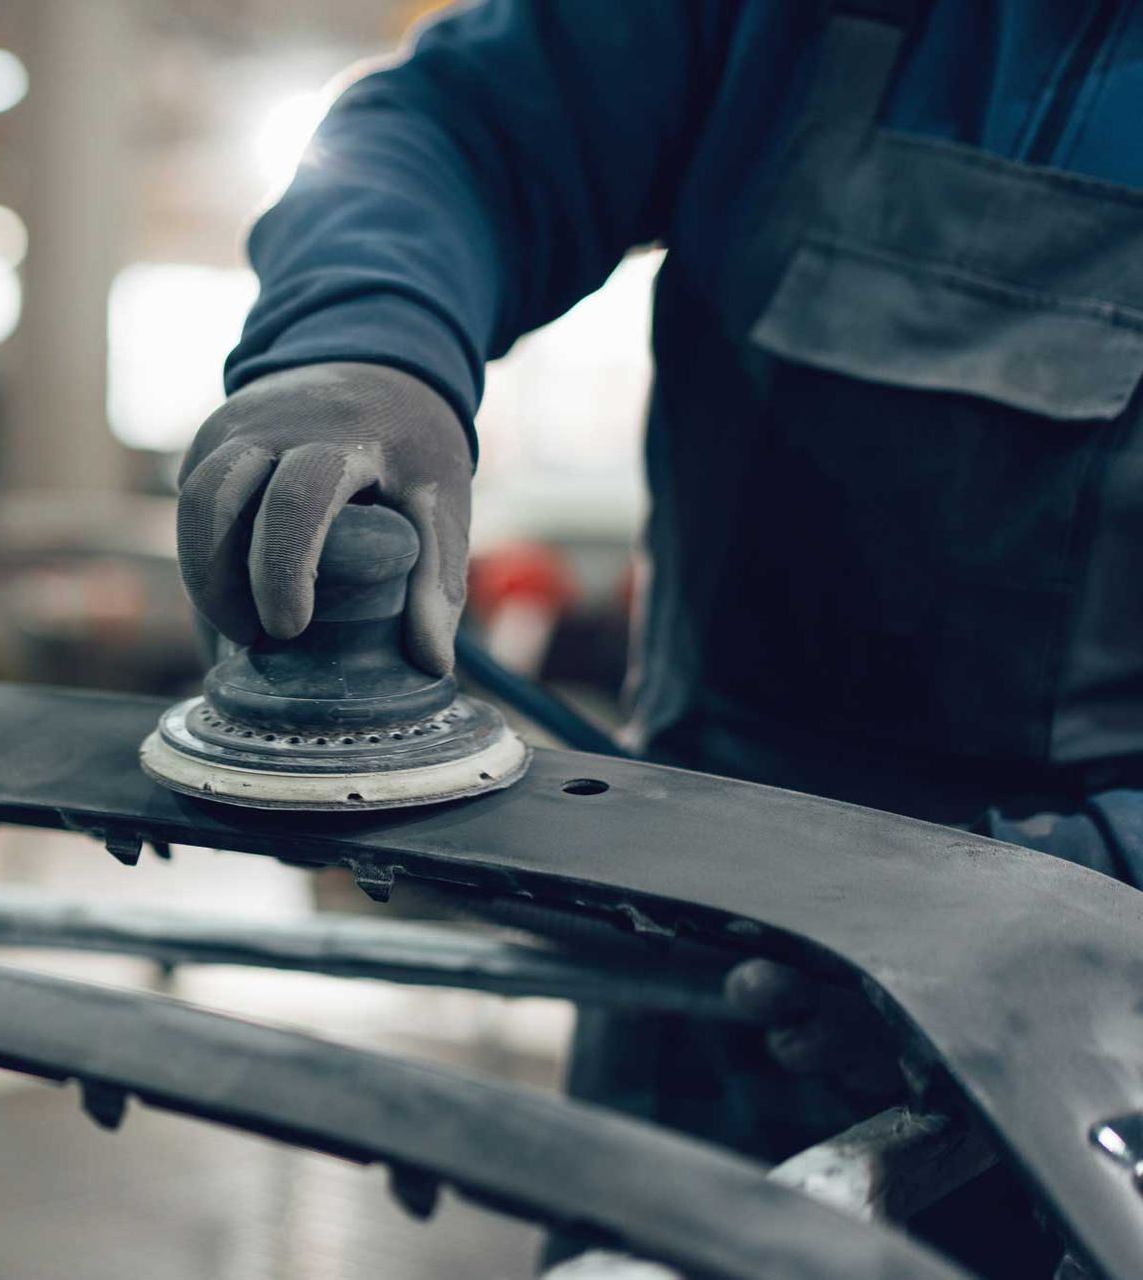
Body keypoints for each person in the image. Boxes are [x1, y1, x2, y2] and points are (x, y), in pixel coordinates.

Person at [174, 1, 1143, 1271]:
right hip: (696, 949)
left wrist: (1080, 902)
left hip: (1095, 1039)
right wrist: (361, 345)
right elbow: (462, 128)